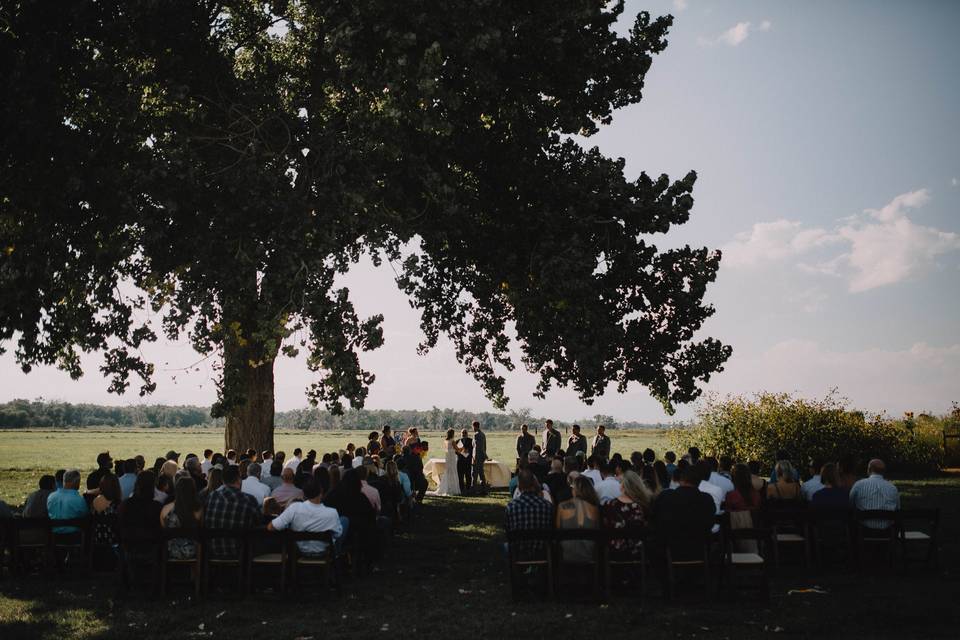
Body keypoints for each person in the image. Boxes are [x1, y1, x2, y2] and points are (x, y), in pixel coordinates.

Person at [651, 464, 716, 560]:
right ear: (699, 482)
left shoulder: (666, 497)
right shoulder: (706, 499)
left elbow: (655, 519)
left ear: (681, 480)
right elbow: (710, 523)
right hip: (699, 549)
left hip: (670, 549)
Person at [268, 479, 343, 556]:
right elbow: (338, 534)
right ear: (321, 493)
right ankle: (338, 556)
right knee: (344, 520)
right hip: (324, 553)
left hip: (300, 552)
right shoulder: (332, 513)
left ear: (304, 494)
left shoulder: (294, 508)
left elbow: (271, 527)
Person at [204, 465, 260, 558]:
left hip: (213, 549)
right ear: (238, 479)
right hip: (240, 551)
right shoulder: (248, 499)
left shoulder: (211, 496)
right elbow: (258, 521)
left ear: (222, 480)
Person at [505, 470, 553, 559]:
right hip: (542, 550)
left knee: (506, 546)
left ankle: (514, 570)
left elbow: (508, 530)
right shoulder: (547, 506)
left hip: (519, 550)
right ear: (534, 484)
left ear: (519, 486)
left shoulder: (511, 507)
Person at [602, 470, 650, 557]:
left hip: (614, 552)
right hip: (638, 553)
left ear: (622, 486)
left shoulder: (609, 505)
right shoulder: (642, 506)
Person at [555, 474, 601, 563]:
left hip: (567, 556)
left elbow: (558, 531)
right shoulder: (595, 509)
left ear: (574, 490)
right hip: (589, 556)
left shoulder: (562, 506)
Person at [849, 459, 900, 529]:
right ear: (883, 471)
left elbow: (851, 504)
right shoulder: (893, 488)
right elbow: (897, 508)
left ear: (869, 470)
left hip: (862, 529)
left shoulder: (858, 485)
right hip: (887, 531)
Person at [161, 476, 203, 560]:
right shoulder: (199, 510)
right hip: (192, 550)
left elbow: (164, 529)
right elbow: (201, 529)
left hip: (171, 551)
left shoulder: (166, 509)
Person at [47, 469, 89, 535]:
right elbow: (85, 514)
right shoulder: (78, 499)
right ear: (75, 482)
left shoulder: (51, 497)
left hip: (55, 534)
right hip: (75, 535)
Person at [436, 429, 461, 496]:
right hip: (452, 457)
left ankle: (447, 486)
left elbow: (447, 449)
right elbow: (457, 449)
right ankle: (452, 488)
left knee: (448, 471)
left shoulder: (446, 440)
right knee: (453, 470)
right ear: (452, 434)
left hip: (448, 457)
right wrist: (462, 448)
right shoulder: (452, 441)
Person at [456, 428, 473, 492]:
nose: (464, 434)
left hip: (468, 461)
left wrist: (467, 452)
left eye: (465, 432)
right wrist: (461, 452)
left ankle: (468, 488)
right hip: (460, 461)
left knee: (468, 475)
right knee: (460, 476)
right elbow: (455, 451)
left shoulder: (471, 441)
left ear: (467, 434)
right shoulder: (457, 441)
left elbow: (472, 450)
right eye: (462, 433)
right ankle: (461, 488)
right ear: (461, 433)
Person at [472, 421, 488, 488]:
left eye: (472, 427)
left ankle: (474, 489)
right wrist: (485, 455)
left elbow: (477, 447)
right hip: (482, 456)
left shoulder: (476, 435)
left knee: (474, 474)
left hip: (477, 456)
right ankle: (483, 488)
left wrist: (474, 458)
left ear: (474, 426)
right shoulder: (483, 434)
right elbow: (484, 446)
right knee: (481, 473)